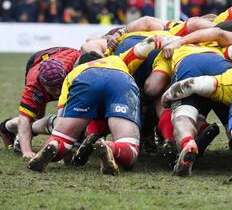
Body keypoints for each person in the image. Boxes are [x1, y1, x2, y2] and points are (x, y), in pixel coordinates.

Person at [27, 35, 176, 174]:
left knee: (62, 138)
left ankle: (55, 145)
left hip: (84, 80)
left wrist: (64, 143)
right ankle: (111, 147)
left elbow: (61, 117)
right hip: (119, 79)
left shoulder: (73, 73)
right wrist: (173, 40)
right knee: (129, 148)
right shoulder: (118, 59)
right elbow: (147, 44)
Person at [0, 47, 81, 159]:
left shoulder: (74, 66)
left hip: (62, 54)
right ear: (43, 84)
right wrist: (27, 151)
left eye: (60, 86)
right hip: (35, 61)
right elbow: (24, 119)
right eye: (53, 88)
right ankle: (6, 127)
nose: (57, 91)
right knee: (35, 118)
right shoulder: (33, 86)